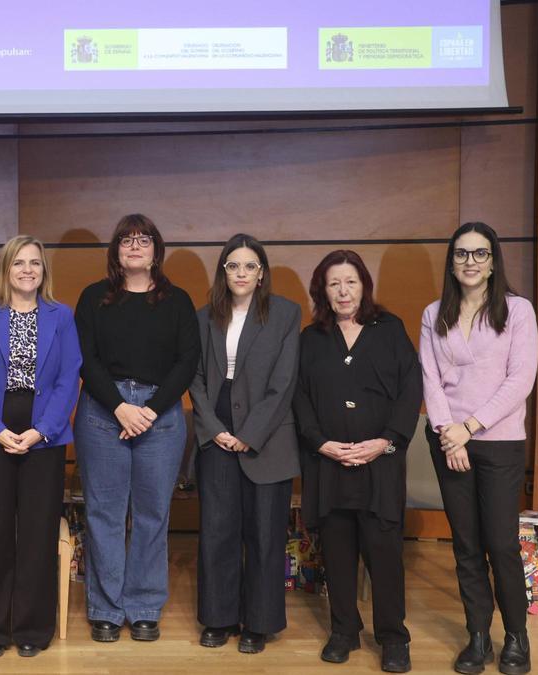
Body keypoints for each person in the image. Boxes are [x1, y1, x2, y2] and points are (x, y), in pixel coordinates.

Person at [72, 214, 201, 643]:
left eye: (143, 239)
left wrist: (149, 410)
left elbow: (187, 361)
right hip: (101, 412)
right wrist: (120, 407)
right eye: (126, 240)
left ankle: (144, 606)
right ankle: (106, 609)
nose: (134, 246)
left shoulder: (177, 301)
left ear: (156, 250)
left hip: (160, 416)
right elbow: (86, 359)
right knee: (104, 513)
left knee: (152, 514)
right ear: (115, 251)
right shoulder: (94, 297)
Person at [293, 250, 420, 673]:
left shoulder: (390, 329)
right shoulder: (311, 339)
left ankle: (393, 637)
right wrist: (320, 443)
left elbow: (411, 390)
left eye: (351, 282)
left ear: (364, 285)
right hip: (328, 463)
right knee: (337, 550)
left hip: (379, 462)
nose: (343, 291)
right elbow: (299, 398)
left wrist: (385, 442)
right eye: (334, 283)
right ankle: (344, 630)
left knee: (384, 552)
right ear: (323, 291)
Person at [0, 235, 82, 658]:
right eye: (19, 263)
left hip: (44, 435)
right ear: (5, 269)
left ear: (44, 271)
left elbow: (69, 376)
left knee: (37, 534)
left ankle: (32, 627)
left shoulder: (62, 316)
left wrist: (42, 430)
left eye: (35, 263)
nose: (27, 270)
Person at [420, 222, 538, 675]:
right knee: (466, 545)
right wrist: (447, 432)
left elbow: (520, 380)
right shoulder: (435, 313)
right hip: (448, 441)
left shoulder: (517, 310)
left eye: (480, 253)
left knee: (501, 544)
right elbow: (430, 379)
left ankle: (516, 637)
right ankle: (478, 637)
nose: (470, 261)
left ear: (492, 263)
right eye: (462, 253)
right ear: (451, 262)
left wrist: (468, 427)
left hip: (499, 441)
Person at [187, 234, 300, 654]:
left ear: (261, 273)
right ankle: (218, 618)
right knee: (218, 529)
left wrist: (249, 434)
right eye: (233, 265)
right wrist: (214, 428)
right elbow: (195, 378)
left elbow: (284, 383)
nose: (241, 273)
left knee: (265, 533)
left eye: (249, 266)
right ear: (223, 272)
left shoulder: (285, 313)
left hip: (266, 433)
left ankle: (259, 622)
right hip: (215, 427)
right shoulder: (203, 317)